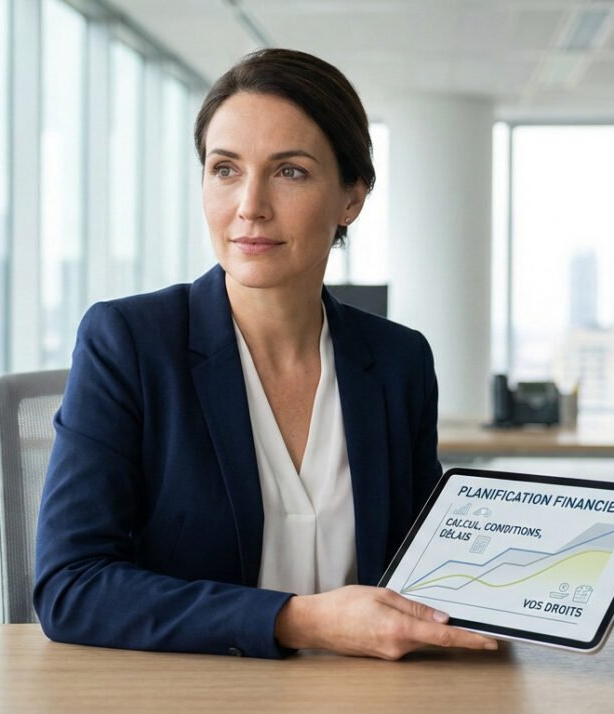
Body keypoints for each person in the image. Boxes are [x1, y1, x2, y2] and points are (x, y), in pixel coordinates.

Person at [34, 48, 497, 660]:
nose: (249, 204)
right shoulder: (129, 341)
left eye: (290, 172)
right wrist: (296, 621)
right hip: (194, 695)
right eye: (225, 169)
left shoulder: (398, 361)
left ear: (351, 199)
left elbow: (422, 568)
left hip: (363, 698)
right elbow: (71, 586)